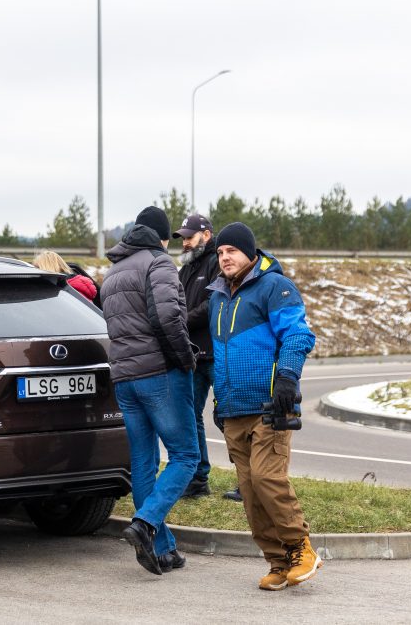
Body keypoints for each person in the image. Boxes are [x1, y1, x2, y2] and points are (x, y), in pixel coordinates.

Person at [209, 222, 319, 591]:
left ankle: (301, 548)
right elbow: (219, 354)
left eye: (232, 251)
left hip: (271, 403)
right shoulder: (217, 297)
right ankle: (278, 560)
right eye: (220, 252)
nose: (224, 257)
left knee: (266, 478)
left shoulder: (275, 286)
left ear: (250, 253)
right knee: (250, 492)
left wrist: (287, 376)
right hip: (234, 408)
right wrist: (218, 400)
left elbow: (299, 334)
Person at [100, 206, 199, 576]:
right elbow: (167, 317)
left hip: (124, 378)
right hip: (159, 373)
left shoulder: (112, 272)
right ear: (158, 237)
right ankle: (145, 523)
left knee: (143, 462)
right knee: (186, 456)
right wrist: (184, 358)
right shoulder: (158, 264)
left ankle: (163, 550)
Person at [172, 214, 219, 499]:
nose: (186, 242)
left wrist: (182, 321)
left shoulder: (218, 262)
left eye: (190, 236)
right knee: (190, 417)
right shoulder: (186, 269)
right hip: (194, 356)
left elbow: (213, 304)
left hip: (216, 354)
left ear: (207, 235)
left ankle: (247, 480)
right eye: (183, 238)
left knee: (232, 418)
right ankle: (199, 478)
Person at [32, 250, 97, 302]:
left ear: (47, 268)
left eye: (38, 268)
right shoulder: (74, 286)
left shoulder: (66, 292)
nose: (36, 272)